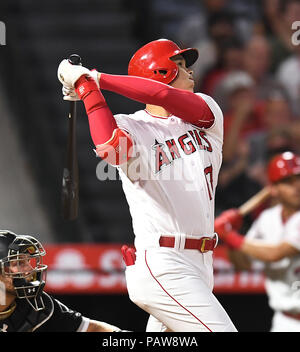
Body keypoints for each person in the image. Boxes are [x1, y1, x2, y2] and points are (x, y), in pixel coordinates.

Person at [57, 38, 237, 332]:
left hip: (201, 262)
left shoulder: (207, 112)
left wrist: (95, 78)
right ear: (159, 71)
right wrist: (87, 88)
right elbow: (109, 146)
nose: (190, 72)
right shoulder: (131, 125)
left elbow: (161, 95)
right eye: (179, 65)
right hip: (163, 261)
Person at [214, 151, 300, 332]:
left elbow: (275, 253)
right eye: (288, 181)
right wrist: (231, 236)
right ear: (273, 189)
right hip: (285, 320)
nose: (297, 186)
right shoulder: (267, 219)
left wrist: (231, 236)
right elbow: (242, 264)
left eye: (298, 179)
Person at [0, 230, 124, 332]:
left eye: (28, 262)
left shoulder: (36, 305)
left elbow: (89, 328)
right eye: (19, 263)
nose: (30, 269)